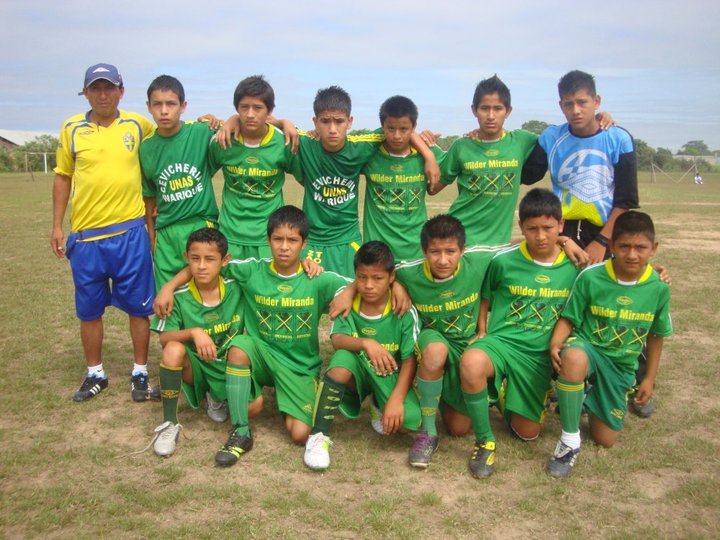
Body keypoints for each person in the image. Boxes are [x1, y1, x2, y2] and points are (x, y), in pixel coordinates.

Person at [155, 206, 349, 465]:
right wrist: (168, 286)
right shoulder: (251, 270)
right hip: (260, 355)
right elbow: (207, 261)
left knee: (300, 434)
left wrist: (350, 290)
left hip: (299, 366)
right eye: (278, 239)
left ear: (304, 244)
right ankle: (240, 431)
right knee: (240, 345)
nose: (284, 247)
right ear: (268, 241)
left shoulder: (318, 278)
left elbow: (368, 281)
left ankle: (287, 399)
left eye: (292, 241)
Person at [52, 63, 157, 402]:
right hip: (86, 238)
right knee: (89, 310)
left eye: (109, 87)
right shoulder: (71, 129)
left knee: (139, 307)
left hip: (130, 233)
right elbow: (63, 177)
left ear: (121, 91)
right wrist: (57, 225)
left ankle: (140, 372)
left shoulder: (138, 125)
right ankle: (95, 373)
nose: (102, 94)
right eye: (95, 88)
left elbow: (173, 134)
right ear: (85, 93)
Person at [458, 188, 580, 478]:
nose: (540, 236)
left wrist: (659, 269)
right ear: (521, 227)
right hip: (503, 343)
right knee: (471, 361)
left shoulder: (575, 265)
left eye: (549, 229)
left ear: (561, 226)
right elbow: (485, 295)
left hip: (539, 354)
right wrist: (483, 330)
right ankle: (484, 441)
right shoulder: (503, 259)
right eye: (532, 229)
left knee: (527, 433)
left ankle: (506, 394)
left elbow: (613, 271)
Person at [547, 211, 672, 477]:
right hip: (589, 349)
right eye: (624, 246)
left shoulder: (658, 287)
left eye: (641, 247)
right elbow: (569, 318)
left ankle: (584, 394)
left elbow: (657, 335)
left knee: (606, 439)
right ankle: (569, 441)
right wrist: (556, 344)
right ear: (612, 245)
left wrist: (648, 379)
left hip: (621, 365)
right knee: (574, 358)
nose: (632, 254)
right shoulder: (591, 276)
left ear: (654, 249)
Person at [294, 86, 439, 277]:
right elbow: (268, 124)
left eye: (339, 121)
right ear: (315, 121)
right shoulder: (303, 143)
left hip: (349, 241)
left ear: (350, 121)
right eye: (325, 121)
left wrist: (428, 155)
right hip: (312, 242)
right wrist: (284, 122)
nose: (332, 129)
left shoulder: (362, 146)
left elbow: (400, 127)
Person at [303, 241, 421, 471]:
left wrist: (396, 400)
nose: (368, 285)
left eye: (377, 278)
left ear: (391, 277)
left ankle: (380, 401)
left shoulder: (403, 310)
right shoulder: (346, 300)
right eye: (362, 277)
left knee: (408, 423)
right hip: (358, 367)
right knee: (341, 362)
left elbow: (410, 359)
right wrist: (367, 343)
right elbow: (337, 340)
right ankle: (318, 435)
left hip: (388, 374)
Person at [150, 228, 250, 457]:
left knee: (253, 409)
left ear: (225, 260)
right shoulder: (177, 295)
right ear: (186, 259)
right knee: (173, 349)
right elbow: (164, 338)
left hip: (229, 366)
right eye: (195, 259)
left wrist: (306, 262)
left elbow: (275, 264)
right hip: (196, 367)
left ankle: (217, 396)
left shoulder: (238, 284)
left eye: (209, 259)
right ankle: (169, 424)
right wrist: (194, 332)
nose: (202, 266)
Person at [522, 70, 639, 264]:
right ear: (561, 106)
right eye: (569, 104)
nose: (575, 110)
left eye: (582, 102)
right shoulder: (551, 138)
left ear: (596, 101)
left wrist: (601, 242)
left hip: (605, 234)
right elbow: (526, 175)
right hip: (562, 233)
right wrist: (492, 136)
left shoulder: (618, 139)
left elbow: (626, 201)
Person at [209, 75, 302, 260]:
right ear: (237, 109)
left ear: (269, 110)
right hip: (230, 237)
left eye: (258, 108)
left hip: (268, 240)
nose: (250, 114)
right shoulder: (222, 140)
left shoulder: (284, 142)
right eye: (244, 107)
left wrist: (285, 122)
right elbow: (202, 178)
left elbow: (306, 179)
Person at [140, 75, 220, 289]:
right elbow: (149, 197)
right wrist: (152, 236)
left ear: (183, 106)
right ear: (148, 107)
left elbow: (240, 124)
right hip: (166, 231)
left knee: (204, 294)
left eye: (171, 104)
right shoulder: (146, 148)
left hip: (200, 225)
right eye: (157, 104)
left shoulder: (200, 131)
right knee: (167, 298)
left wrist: (220, 120)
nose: (164, 111)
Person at [361, 96, 445, 262]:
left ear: (414, 127)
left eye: (404, 129)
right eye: (390, 128)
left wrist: (428, 154)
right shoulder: (369, 154)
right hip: (377, 254)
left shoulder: (432, 156)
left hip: (415, 253)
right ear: (382, 127)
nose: (397, 135)